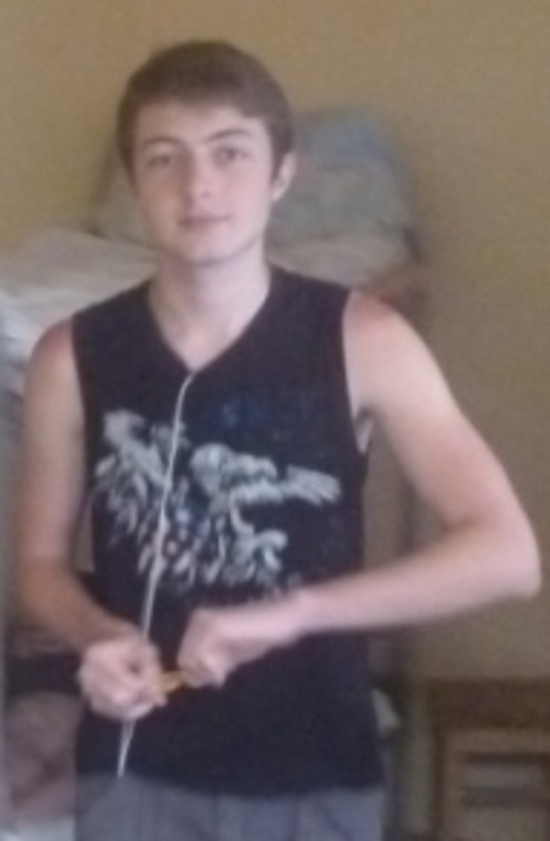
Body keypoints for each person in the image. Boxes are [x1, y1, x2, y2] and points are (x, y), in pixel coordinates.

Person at [16, 41, 539, 841]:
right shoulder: (70, 354)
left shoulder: (364, 339)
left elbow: (507, 554)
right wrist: (99, 634)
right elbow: (38, 566)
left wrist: (292, 614)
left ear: (281, 175)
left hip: (314, 770)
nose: (198, 186)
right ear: (134, 181)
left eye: (230, 152)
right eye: (165, 158)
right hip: (131, 765)